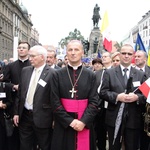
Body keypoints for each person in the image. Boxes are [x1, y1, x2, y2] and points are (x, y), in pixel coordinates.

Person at [51, 40, 99, 150]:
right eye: (70, 50)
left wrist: (83, 121)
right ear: (66, 53)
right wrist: (70, 121)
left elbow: (94, 102)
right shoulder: (57, 74)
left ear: (82, 52)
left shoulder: (91, 75)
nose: (73, 53)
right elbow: (54, 101)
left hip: (84, 122)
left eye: (76, 50)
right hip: (64, 123)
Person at [100, 44, 147, 150]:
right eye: (124, 53)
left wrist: (137, 98)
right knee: (114, 147)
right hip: (114, 118)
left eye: (129, 54)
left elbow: (146, 95)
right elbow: (103, 92)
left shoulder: (140, 74)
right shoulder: (109, 73)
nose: (126, 56)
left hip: (133, 119)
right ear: (119, 55)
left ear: (133, 56)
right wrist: (117, 97)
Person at [13, 45, 55, 150]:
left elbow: (55, 98)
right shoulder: (25, 71)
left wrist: (55, 119)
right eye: (29, 56)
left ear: (42, 57)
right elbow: (20, 94)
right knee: (25, 145)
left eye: (33, 56)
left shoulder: (53, 74)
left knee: (44, 145)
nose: (30, 59)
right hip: (25, 116)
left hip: (43, 117)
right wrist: (16, 113)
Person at [2, 41, 31, 150]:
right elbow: (4, 83)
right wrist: (13, 86)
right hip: (13, 102)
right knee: (13, 133)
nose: (21, 49)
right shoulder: (10, 66)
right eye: (19, 48)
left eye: (23, 48)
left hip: (27, 105)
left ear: (28, 50)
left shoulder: (32, 66)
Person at [134, 50, 150, 150]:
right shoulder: (130, 71)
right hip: (134, 110)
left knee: (146, 140)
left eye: (139, 56)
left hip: (147, 111)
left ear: (145, 59)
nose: (136, 58)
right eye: (135, 56)